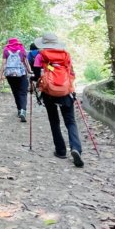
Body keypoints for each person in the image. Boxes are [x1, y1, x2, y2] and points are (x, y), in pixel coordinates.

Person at [34, 33, 84, 167]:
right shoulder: (66, 55)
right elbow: (71, 73)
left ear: (43, 44)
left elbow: (37, 75)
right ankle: (75, 148)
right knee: (70, 122)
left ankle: (61, 150)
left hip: (49, 92)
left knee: (54, 121)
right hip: (66, 92)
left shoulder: (41, 55)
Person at [0, 37, 32, 122]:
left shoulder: (6, 50)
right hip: (21, 73)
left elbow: (3, 63)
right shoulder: (21, 49)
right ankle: (23, 110)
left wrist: (1, 75)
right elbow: (25, 61)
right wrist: (29, 70)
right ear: (17, 42)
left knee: (15, 91)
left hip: (9, 74)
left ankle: (19, 110)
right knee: (23, 92)